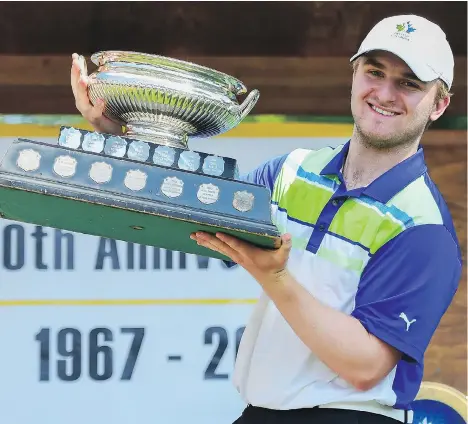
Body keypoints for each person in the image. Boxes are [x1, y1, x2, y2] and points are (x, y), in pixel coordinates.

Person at [71, 14, 462, 424]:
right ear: (354, 75)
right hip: (263, 412)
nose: (384, 92)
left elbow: (365, 367)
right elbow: (192, 216)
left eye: (409, 83)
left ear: (438, 104)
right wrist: (124, 136)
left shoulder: (423, 228)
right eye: (374, 71)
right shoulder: (291, 172)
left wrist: (275, 278)